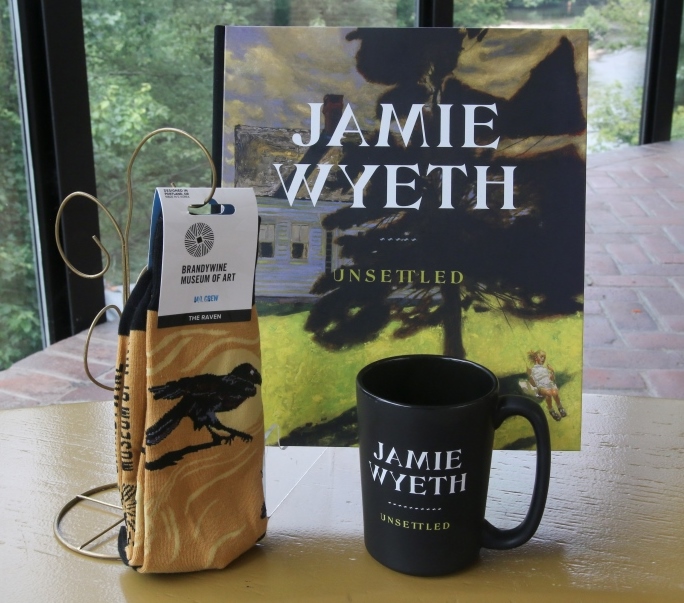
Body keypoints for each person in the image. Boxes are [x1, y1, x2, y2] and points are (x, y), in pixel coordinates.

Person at [527, 350, 567, 422]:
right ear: (536, 358)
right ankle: (551, 410)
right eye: (541, 357)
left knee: (555, 393)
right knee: (548, 393)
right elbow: (533, 383)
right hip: (541, 386)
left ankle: (560, 407)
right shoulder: (533, 370)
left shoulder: (545, 369)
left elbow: (551, 379)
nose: (543, 359)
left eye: (544, 357)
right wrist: (530, 377)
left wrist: (552, 372)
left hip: (549, 384)